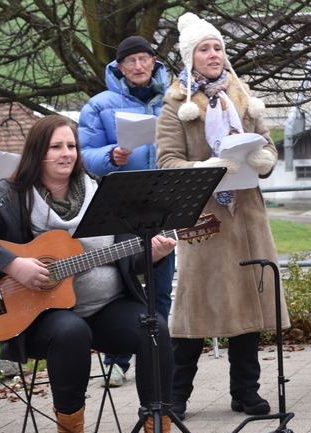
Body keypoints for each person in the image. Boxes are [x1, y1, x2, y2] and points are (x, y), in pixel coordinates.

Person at [0, 115, 194, 433]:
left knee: (155, 327)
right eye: (56, 147)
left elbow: (125, 256)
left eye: (71, 146)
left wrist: (154, 253)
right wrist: (13, 264)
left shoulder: (102, 192)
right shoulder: (10, 197)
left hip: (107, 307)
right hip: (39, 316)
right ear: (38, 152)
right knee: (70, 331)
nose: (67, 154)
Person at [156, 12, 289, 419]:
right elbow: (166, 162)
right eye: (204, 48)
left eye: (217, 47)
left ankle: (245, 392)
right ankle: (177, 395)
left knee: (250, 301)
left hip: (247, 214)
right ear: (189, 56)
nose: (213, 54)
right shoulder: (176, 103)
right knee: (195, 307)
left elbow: (267, 147)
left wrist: (263, 157)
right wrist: (209, 169)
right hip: (203, 219)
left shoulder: (243, 96)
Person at [79, 35, 173, 388]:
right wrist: (109, 157)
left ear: (154, 62)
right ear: (118, 67)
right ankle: (117, 359)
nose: (137, 66)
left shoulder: (173, 102)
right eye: (129, 60)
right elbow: (85, 154)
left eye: (143, 59)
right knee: (124, 284)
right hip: (119, 209)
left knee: (161, 286)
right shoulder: (98, 105)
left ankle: (160, 358)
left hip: (164, 206)